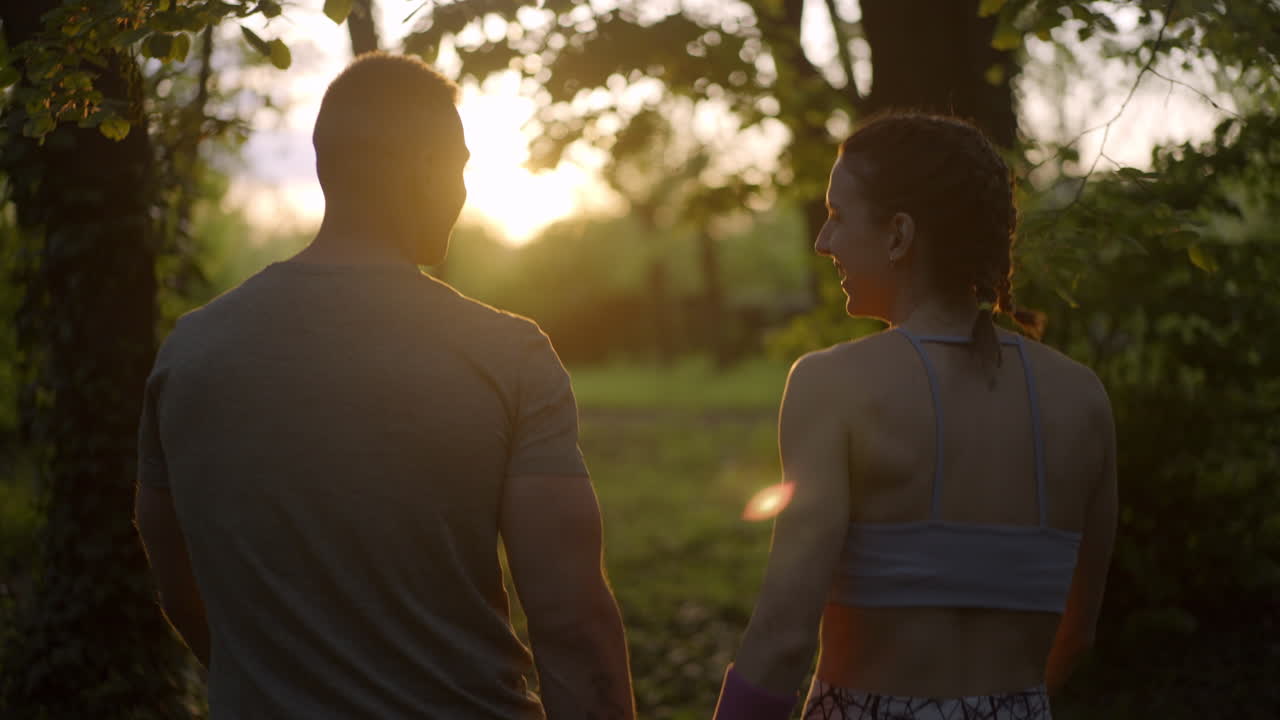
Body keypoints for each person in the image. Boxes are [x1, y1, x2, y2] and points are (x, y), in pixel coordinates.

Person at [133, 53, 634, 720]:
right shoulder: (507, 355)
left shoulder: (189, 354)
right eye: (458, 168)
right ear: (426, 169)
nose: (461, 192)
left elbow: (179, 587)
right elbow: (573, 625)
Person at [713, 113, 1117, 720]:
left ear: (900, 235)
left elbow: (783, 638)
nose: (824, 242)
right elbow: (1077, 636)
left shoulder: (832, 385)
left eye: (839, 216)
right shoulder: (1083, 397)